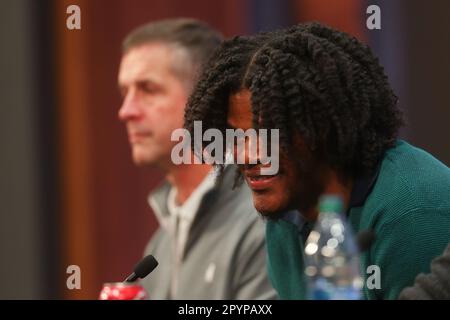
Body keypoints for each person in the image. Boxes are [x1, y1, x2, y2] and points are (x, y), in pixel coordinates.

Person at [184, 22, 450, 299]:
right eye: (237, 136)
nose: (247, 155)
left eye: (268, 133)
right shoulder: (286, 213)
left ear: (322, 127)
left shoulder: (413, 211)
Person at [118, 18, 276, 299]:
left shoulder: (262, 216)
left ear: (203, 97)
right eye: (125, 92)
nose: (126, 111)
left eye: (147, 89)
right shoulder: (159, 245)